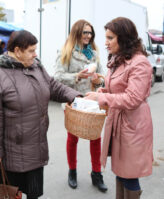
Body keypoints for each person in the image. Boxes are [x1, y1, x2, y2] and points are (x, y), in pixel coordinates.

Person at [0, 30, 82, 199]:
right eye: (31, 51)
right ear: (17, 51)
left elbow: (54, 87)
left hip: (36, 150)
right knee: (11, 195)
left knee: (33, 194)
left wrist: (77, 97)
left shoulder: (37, 67)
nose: (36, 54)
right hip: (10, 155)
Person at [86, 17, 153, 199]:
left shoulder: (140, 63)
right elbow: (118, 88)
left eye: (110, 38)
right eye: (105, 38)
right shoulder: (119, 58)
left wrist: (102, 97)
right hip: (118, 122)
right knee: (120, 170)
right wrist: (104, 89)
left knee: (129, 173)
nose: (105, 43)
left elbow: (133, 98)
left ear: (123, 38)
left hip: (133, 124)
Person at [53, 19, 107, 192]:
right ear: (77, 33)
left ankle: (97, 174)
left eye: (90, 33)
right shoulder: (66, 52)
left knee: (95, 137)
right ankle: (72, 171)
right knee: (73, 138)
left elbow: (103, 78)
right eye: (85, 32)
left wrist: (99, 80)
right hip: (74, 100)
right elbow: (58, 77)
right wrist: (77, 75)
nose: (88, 36)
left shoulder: (95, 53)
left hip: (92, 102)